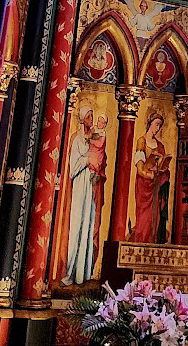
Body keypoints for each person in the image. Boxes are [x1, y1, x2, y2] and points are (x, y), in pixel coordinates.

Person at [62, 106, 98, 285]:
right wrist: (87, 160)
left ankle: (84, 273)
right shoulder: (77, 139)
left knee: (88, 225)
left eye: (92, 116)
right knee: (76, 225)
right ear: (82, 118)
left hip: (89, 186)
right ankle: (70, 272)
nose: (91, 119)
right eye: (89, 116)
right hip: (79, 185)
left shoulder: (92, 140)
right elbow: (72, 168)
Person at [131, 110, 171, 242]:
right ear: (149, 124)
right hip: (144, 185)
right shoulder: (141, 141)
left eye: (160, 125)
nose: (157, 128)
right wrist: (149, 173)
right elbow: (140, 166)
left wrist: (163, 170)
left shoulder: (160, 145)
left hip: (157, 186)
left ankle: (153, 241)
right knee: (144, 217)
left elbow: (165, 165)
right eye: (156, 124)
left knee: (156, 217)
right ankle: (141, 241)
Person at [88, 114, 109, 266]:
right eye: (99, 120)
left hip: (96, 171)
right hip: (87, 172)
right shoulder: (93, 130)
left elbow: (99, 145)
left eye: (103, 121)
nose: (100, 123)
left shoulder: (102, 135)